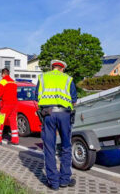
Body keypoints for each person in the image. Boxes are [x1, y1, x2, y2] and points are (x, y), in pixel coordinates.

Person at [35, 60, 77, 190]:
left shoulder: (43, 77)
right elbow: (74, 101)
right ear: (62, 68)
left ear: (52, 67)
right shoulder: (68, 79)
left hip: (48, 114)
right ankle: (64, 180)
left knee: (49, 148)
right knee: (66, 146)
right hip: (64, 114)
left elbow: (37, 98)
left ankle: (53, 183)